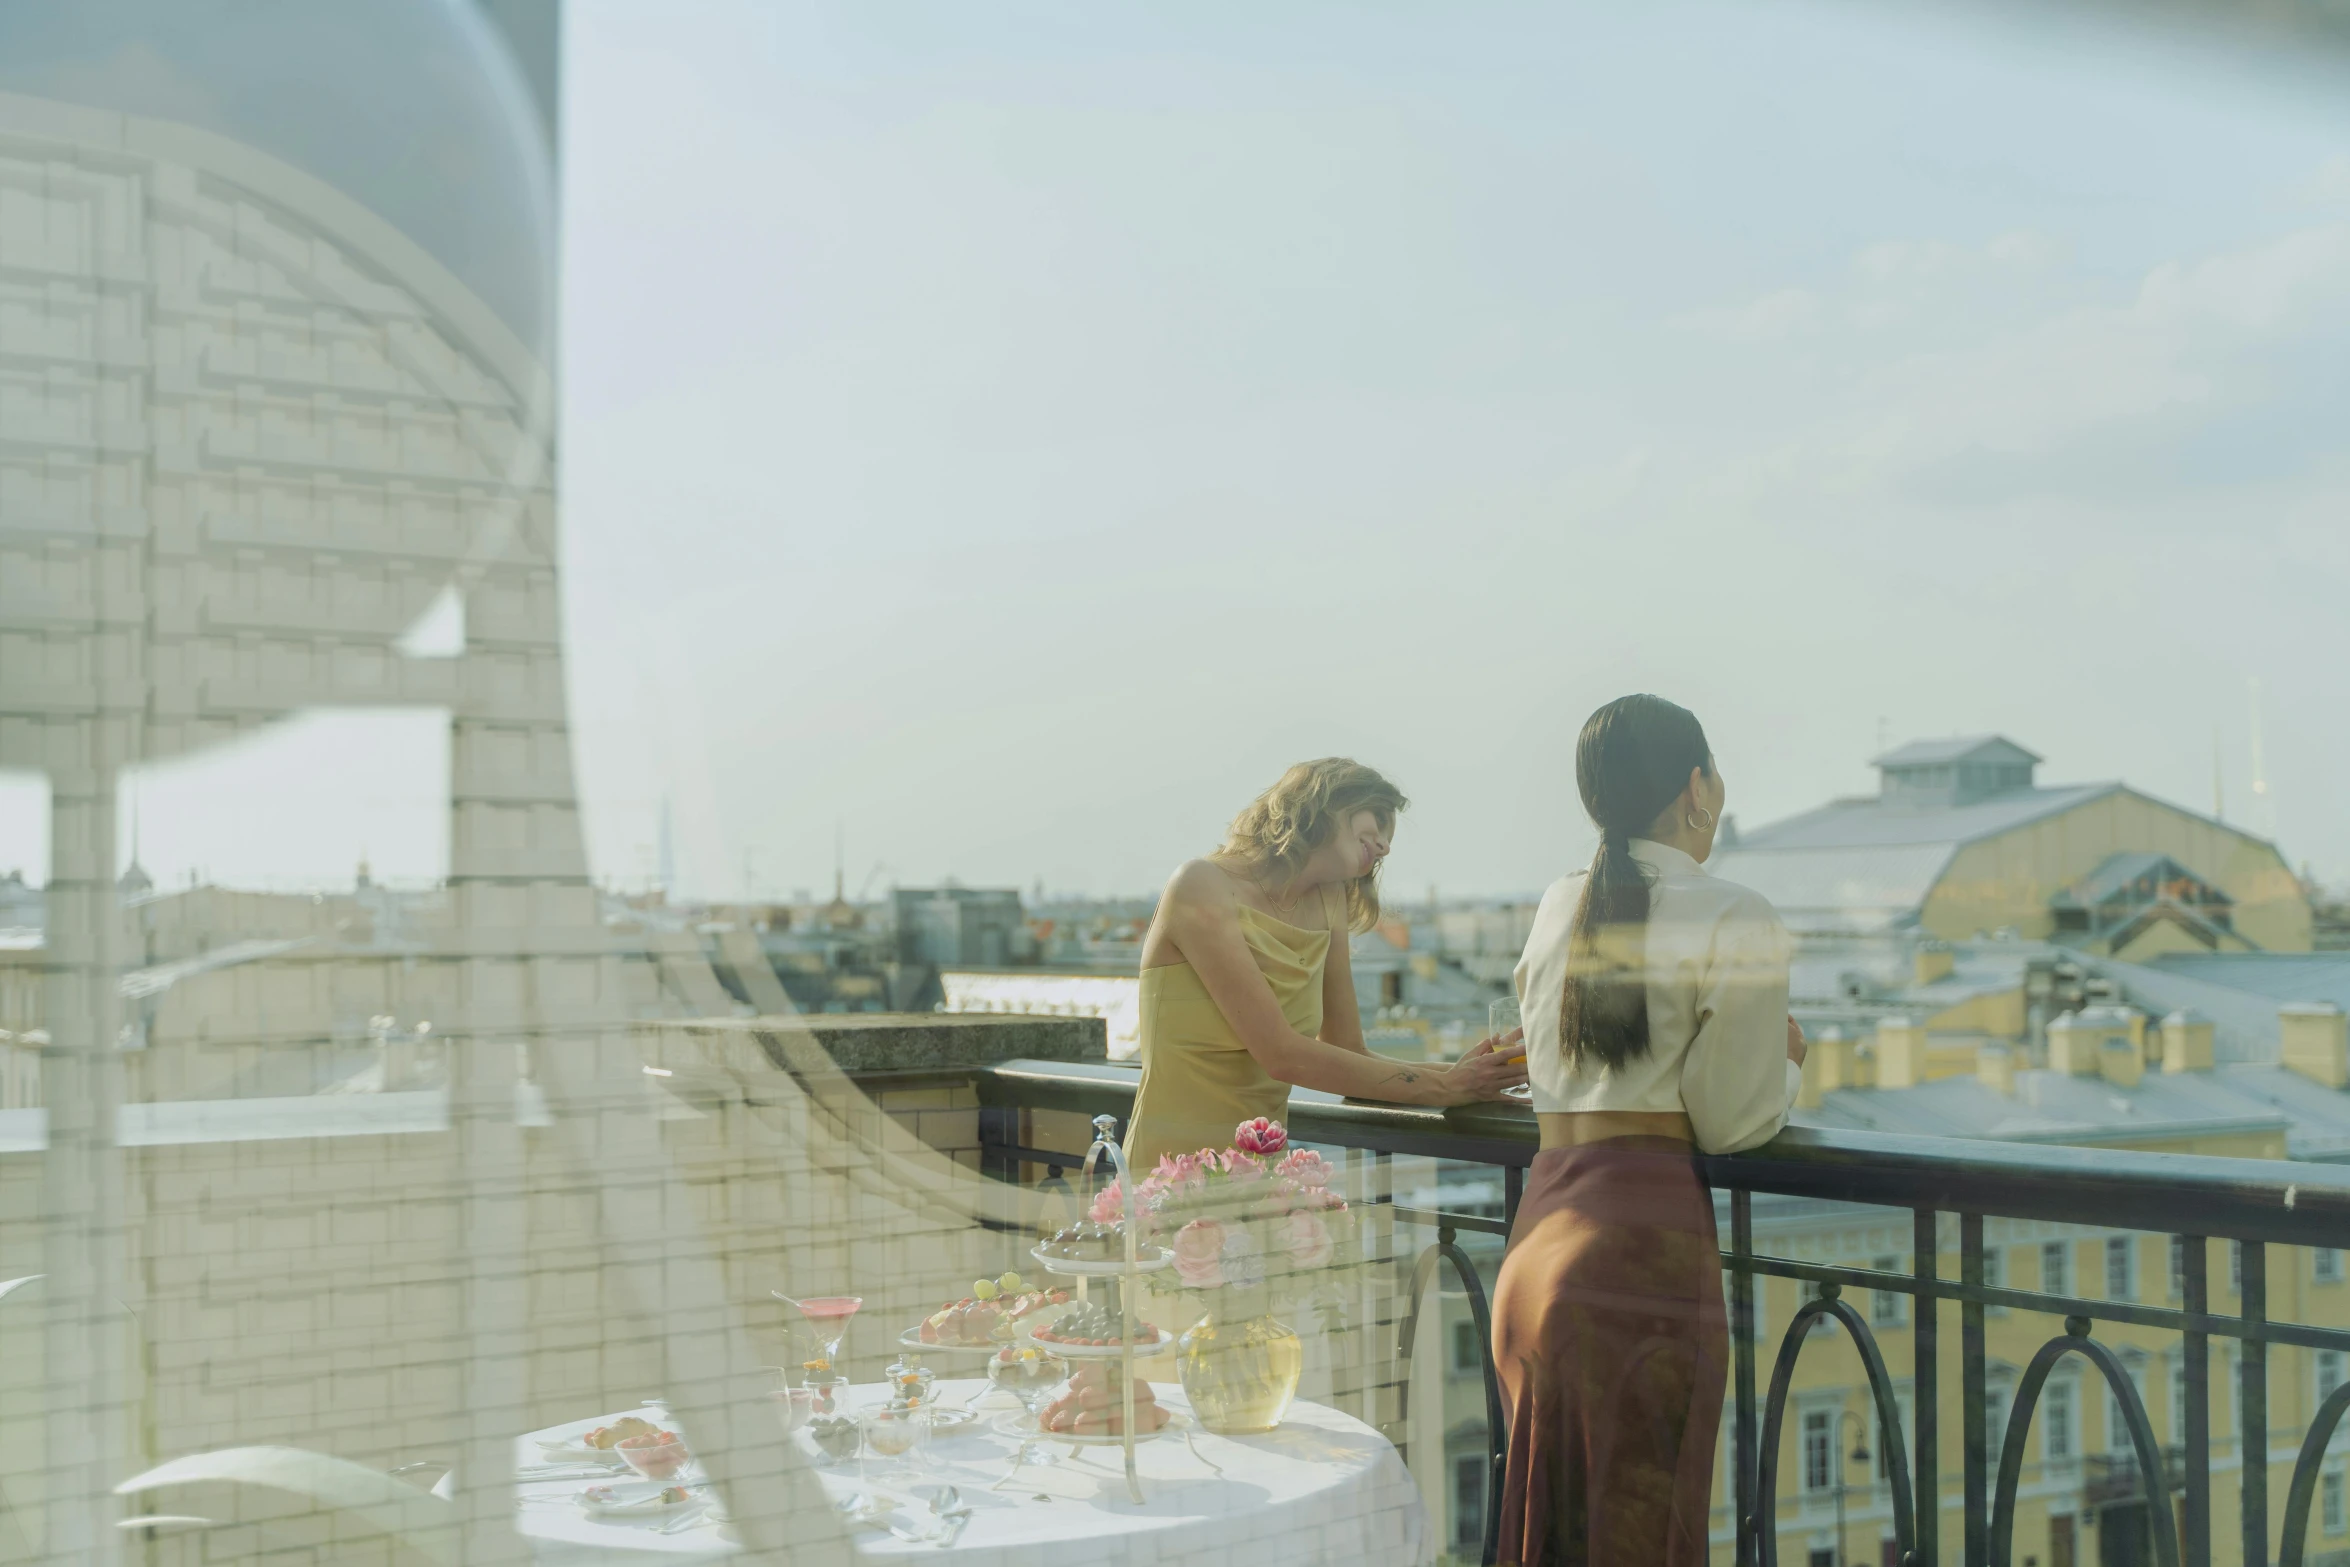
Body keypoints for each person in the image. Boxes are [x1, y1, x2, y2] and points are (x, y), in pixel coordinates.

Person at [1492, 694, 1806, 1567]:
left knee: (1547, 1529)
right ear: (1696, 787)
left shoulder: (1562, 902)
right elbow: (1733, 1120)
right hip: (1637, 1257)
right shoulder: (1733, 909)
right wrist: (1789, 1061)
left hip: (1536, 1241)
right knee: (1645, 1536)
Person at [1123, 757, 1527, 1171]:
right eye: (1379, 818)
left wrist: (1473, 1076)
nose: (1386, 844)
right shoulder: (1201, 884)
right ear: (1325, 803)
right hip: (1169, 1169)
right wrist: (1444, 1086)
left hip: (1260, 1172)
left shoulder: (1328, 900)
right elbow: (1281, 1054)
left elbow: (1346, 1050)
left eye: (1389, 835)